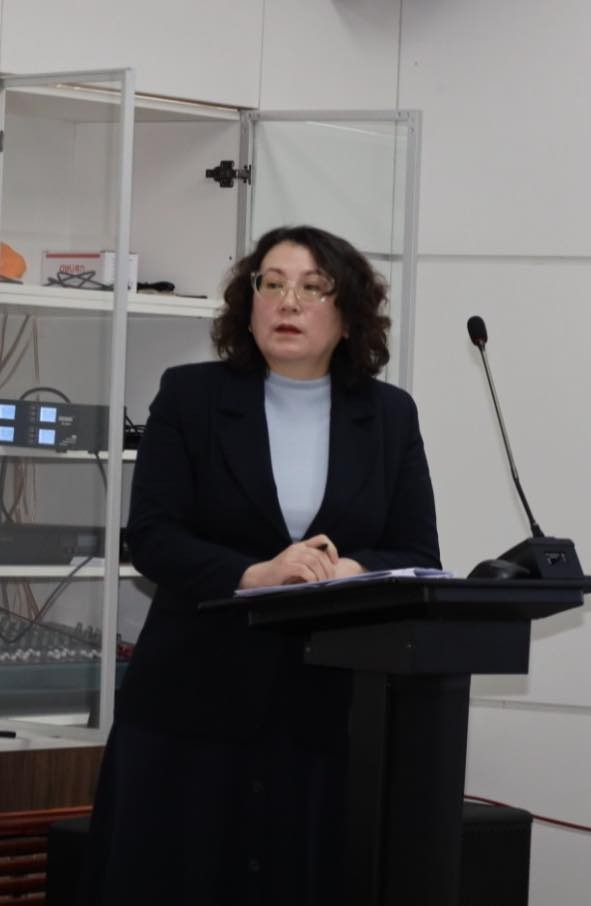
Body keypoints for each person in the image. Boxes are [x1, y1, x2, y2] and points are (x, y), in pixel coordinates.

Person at [81, 225, 441, 905]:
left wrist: (346, 570)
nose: (288, 302)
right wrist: (257, 574)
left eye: (312, 288)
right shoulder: (190, 396)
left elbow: (419, 554)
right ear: (247, 306)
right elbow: (152, 537)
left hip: (329, 706)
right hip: (194, 699)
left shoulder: (389, 415)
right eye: (271, 285)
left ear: (349, 315)